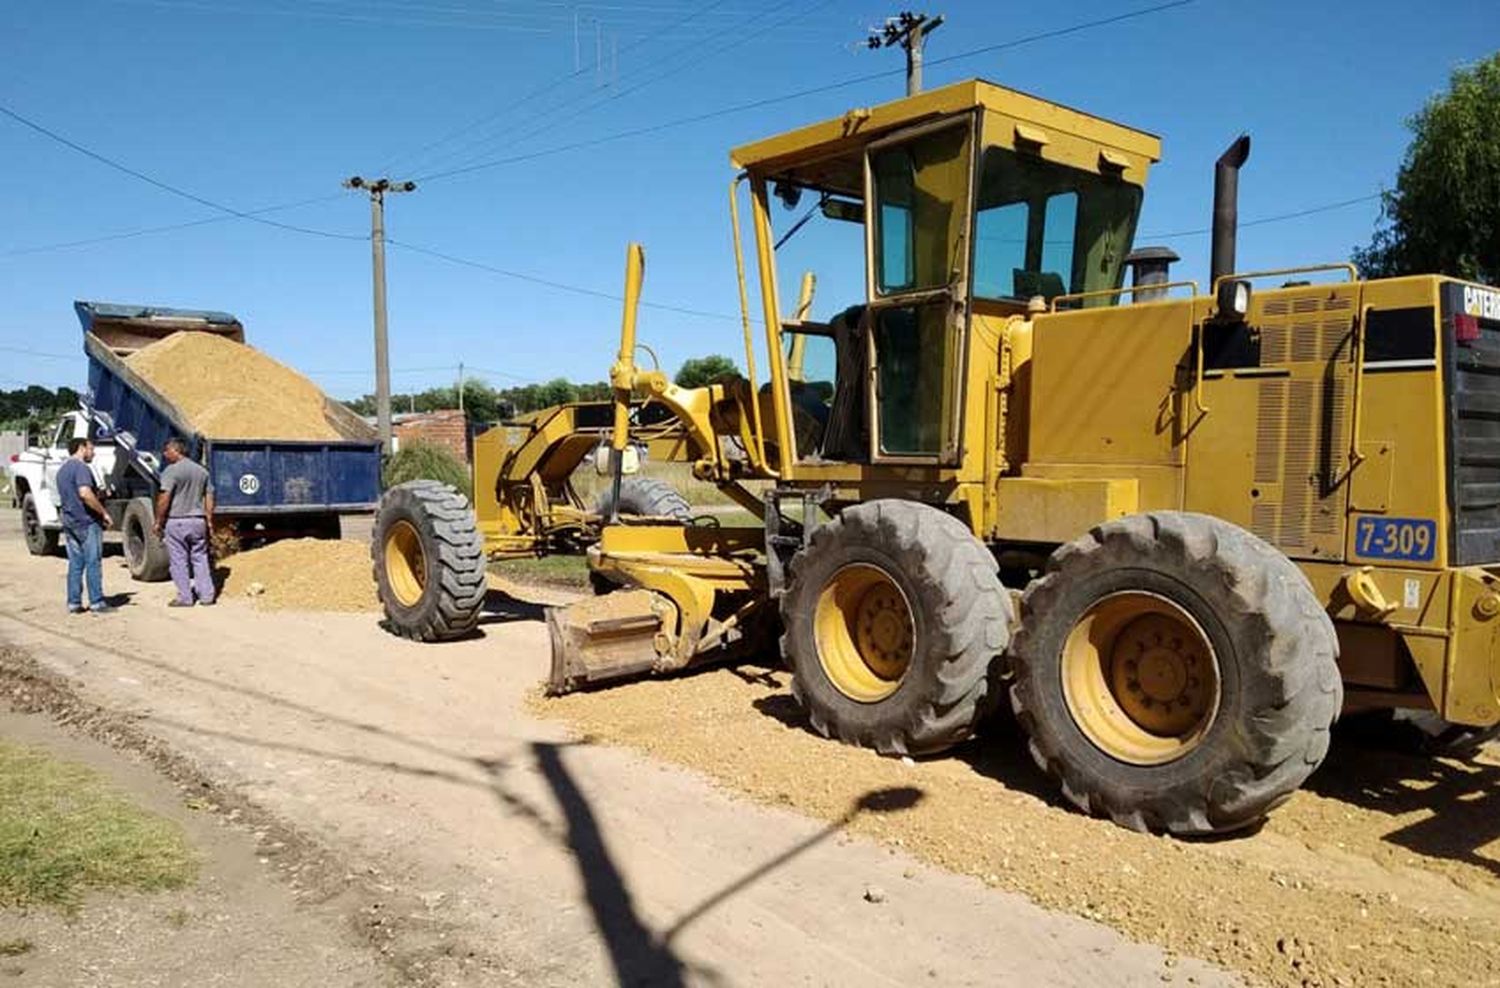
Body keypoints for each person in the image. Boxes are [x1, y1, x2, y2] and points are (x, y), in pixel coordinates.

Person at [154, 438, 216, 607]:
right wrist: (208, 519)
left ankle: (185, 598)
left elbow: (164, 498)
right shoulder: (202, 471)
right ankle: (207, 596)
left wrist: (159, 521)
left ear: (176, 451)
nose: (165, 455)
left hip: (177, 521)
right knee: (200, 558)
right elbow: (209, 497)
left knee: (179, 561)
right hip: (198, 521)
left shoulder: (171, 471)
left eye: (167, 451)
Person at [57, 436, 114, 614]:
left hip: (70, 521)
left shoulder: (62, 470)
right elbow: (84, 493)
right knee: (93, 562)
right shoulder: (81, 468)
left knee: (75, 563)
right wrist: (103, 512)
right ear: (81, 448)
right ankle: (96, 602)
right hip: (86, 521)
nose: (93, 452)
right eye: (91, 448)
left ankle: (73, 603)